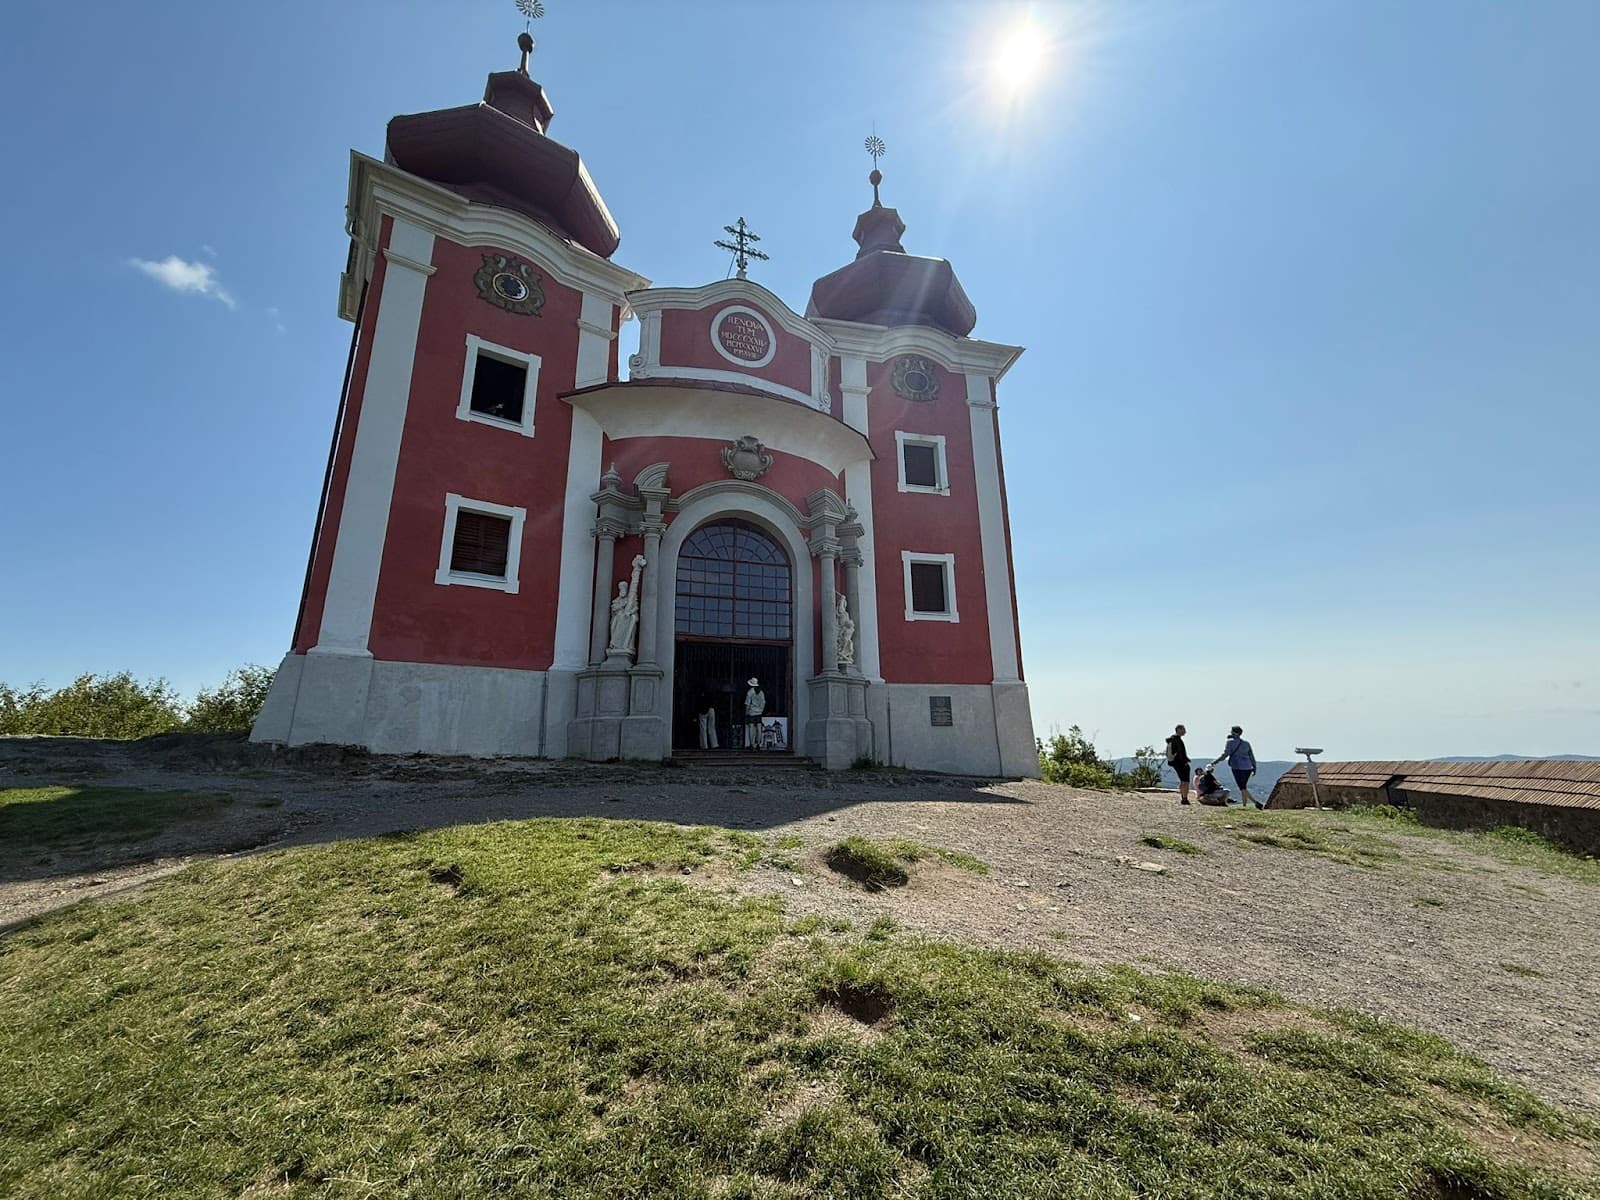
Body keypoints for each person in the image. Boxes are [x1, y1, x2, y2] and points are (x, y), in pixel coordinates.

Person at [1210, 725, 1261, 809]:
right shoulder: (1246, 743)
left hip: (1237, 767)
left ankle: (1255, 802)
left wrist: (1215, 761)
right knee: (1243, 786)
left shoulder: (1230, 742)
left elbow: (1225, 754)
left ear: (1234, 732)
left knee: (1242, 787)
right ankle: (1245, 805)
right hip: (1248, 767)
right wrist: (1254, 767)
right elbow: (1251, 756)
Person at [1165, 724, 1191, 805]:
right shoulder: (1177, 740)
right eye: (1183, 729)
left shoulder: (1171, 739)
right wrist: (1185, 761)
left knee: (1182, 780)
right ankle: (1184, 798)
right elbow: (1181, 752)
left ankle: (1183, 797)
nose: (1185, 731)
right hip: (1180, 763)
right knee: (1185, 781)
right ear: (1179, 730)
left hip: (1174, 762)